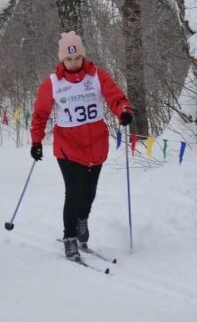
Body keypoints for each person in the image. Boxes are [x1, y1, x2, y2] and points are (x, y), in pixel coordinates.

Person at [30, 31, 133, 261]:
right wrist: (36, 142)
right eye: (69, 59)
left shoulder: (96, 76)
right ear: (62, 59)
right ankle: (69, 237)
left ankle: (82, 220)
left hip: (96, 145)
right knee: (73, 192)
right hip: (68, 147)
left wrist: (123, 112)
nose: (74, 63)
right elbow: (40, 114)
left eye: (77, 58)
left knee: (89, 192)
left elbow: (116, 97)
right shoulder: (53, 83)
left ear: (83, 55)